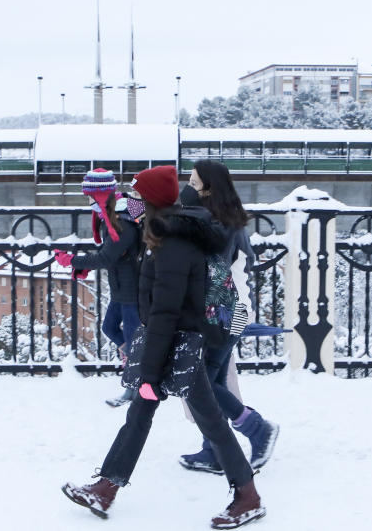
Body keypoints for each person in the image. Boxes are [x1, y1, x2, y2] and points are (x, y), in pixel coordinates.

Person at [62, 165, 266, 529]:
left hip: (180, 343)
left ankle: (248, 497)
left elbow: (167, 311)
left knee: (211, 420)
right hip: (170, 340)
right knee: (140, 415)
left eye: (137, 196)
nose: (129, 201)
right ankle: (106, 488)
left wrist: (151, 372)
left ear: (152, 202)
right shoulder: (161, 233)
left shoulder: (172, 243)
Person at [178, 159, 279, 475]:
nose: (189, 189)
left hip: (228, 311)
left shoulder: (222, 223)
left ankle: (257, 428)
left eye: (194, 184)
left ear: (209, 188)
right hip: (224, 309)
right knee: (215, 379)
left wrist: (184, 209)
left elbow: (211, 264)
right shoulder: (219, 218)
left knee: (202, 381)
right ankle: (213, 450)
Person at [55, 168, 142, 407]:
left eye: (90, 196)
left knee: (133, 341)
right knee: (109, 327)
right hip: (121, 289)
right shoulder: (114, 216)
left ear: (101, 195)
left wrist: (71, 261)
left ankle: (133, 388)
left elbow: (106, 258)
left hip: (132, 292)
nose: (88, 201)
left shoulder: (123, 222)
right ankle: (137, 361)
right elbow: (109, 256)